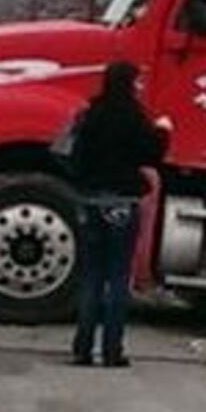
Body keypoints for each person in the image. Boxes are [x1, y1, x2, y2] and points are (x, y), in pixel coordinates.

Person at [68, 61, 172, 368]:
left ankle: (82, 348)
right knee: (117, 276)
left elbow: (72, 154)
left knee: (91, 275)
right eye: (137, 81)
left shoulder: (90, 114)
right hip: (122, 203)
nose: (139, 86)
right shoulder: (134, 117)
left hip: (90, 200)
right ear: (128, 83)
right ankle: (112, 350)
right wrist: (163, 131)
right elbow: (151, 154)